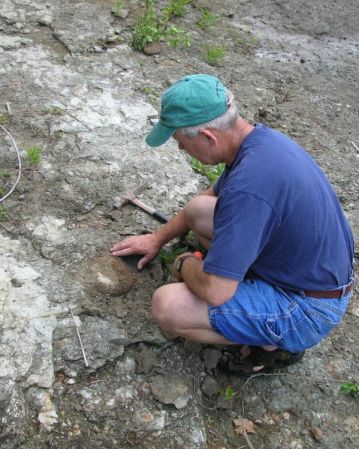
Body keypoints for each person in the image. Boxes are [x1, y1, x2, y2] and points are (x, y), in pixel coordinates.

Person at [111, 74, 354, 376]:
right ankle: (249, 286)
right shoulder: (257, 142)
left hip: (307, 307)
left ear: (209, 137)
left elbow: (215, 291)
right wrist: (157, 238)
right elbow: (206, 200)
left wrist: (184, 263)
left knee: (168, 306)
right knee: (199, 209)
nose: (181, 151)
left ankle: (273, 346)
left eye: (181, 143)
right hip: (305, 271)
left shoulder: (249, 188)